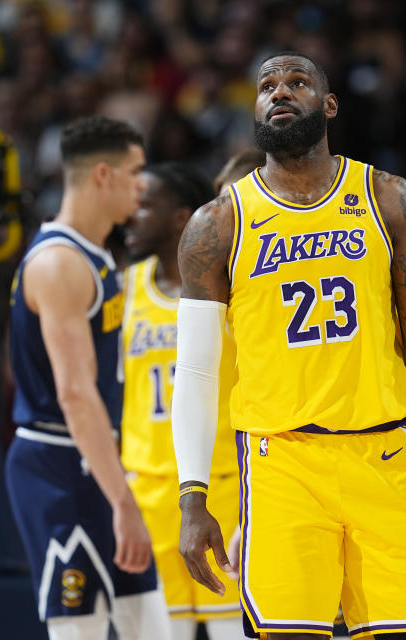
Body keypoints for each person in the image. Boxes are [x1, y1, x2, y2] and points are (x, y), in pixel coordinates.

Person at [171, 51, 406, 639]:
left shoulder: (390, 199)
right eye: (267, 85)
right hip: (281, 463)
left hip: (385, 452)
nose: (280, 91)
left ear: (330, 104)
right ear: (255, 109)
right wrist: (193, 495)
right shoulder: (216, 224)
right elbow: (194, 370)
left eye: (298, 81)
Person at [4, 116, 170, 640]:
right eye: (135, 171)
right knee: (81, 631)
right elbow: (75, 394)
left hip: (92, 460)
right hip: (61, 464)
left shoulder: (93, 255)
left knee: (150, 627)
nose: (143, 184)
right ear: (103, 175)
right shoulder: (60, 265)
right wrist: (122, 500)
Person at [120, 162, 244, 640]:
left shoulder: (232, 286)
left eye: (144, 204)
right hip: (148, 490)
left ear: (180, 218)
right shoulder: (124, 290)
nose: (131, 216)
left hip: (222, 483)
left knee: (231, 629)